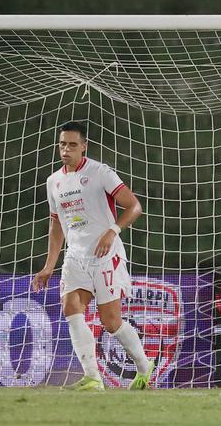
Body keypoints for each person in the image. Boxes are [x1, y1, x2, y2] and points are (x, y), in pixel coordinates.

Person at [31, 121, 154, 390]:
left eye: (72, 145)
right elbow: (56, 225)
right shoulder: (54, 182)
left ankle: (144, 366)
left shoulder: (100, 173)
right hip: (75, 257)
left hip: (105, 254)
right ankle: (92, 377)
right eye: (62, 144)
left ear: (84, 146)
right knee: (70, 308)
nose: (66, 150)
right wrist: (48, 265)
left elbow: (134, 206)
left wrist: (112, 230)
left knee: (111, 323)